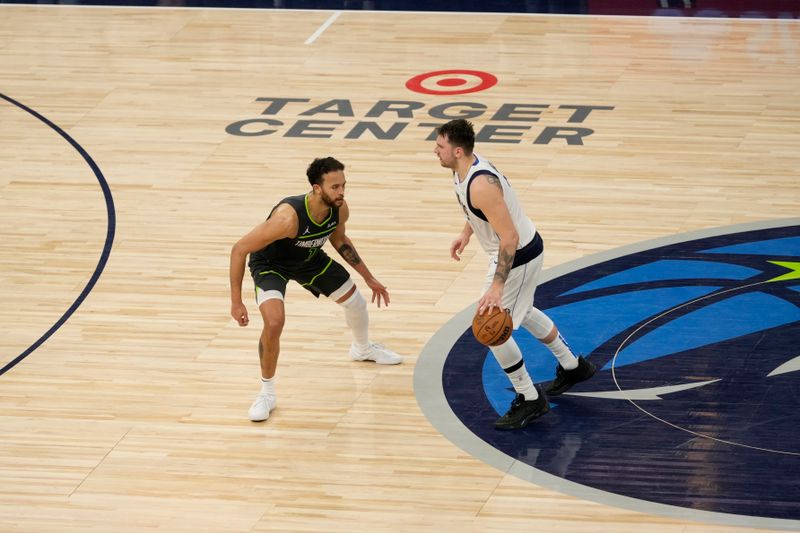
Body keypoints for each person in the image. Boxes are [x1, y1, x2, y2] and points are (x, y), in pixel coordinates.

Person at [434, 119, 595, 430]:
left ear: (456, 150)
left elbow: (508, 237)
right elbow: (484, 212)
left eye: (439, 147)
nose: (434, 151)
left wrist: (497, 285)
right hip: (515, 249)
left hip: (517, 255)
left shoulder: (480, 184)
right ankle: (573, 366)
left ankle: (530, 397)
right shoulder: (463, 170)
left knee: (491, 328)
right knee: (524, 310)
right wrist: (466, 233)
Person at [230, 156, 402, 422]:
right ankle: (267, 393)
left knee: (356, 302)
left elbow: (340, 240)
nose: (342, 192)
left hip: (309, 259)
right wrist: (236, 302)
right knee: (274, 322)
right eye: (335, 187)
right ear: (317, 188)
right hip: (271, 264)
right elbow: (239, 249)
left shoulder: (339, 209)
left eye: (344, 185)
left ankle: (362, 349)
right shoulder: (287, 218)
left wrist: (369, 278)